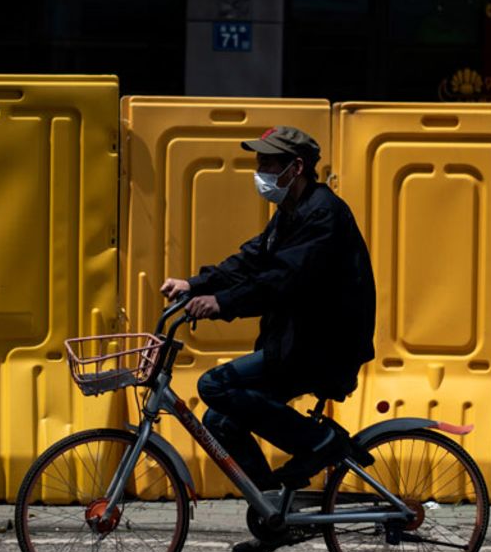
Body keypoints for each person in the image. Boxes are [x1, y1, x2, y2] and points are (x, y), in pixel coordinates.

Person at [160, 125, 376, 496]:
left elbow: (282, 279)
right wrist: (195, 284)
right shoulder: (290, 212)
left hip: (323, 347)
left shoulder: (323, 214)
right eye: (259, 162)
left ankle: (319, 441)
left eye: (267, 162)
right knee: (220, 420)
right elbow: (251, 260)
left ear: (296, 167)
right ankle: (272, 506)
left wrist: (222, 303)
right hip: (296, 342)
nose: (259, 171)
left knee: (213, 385)